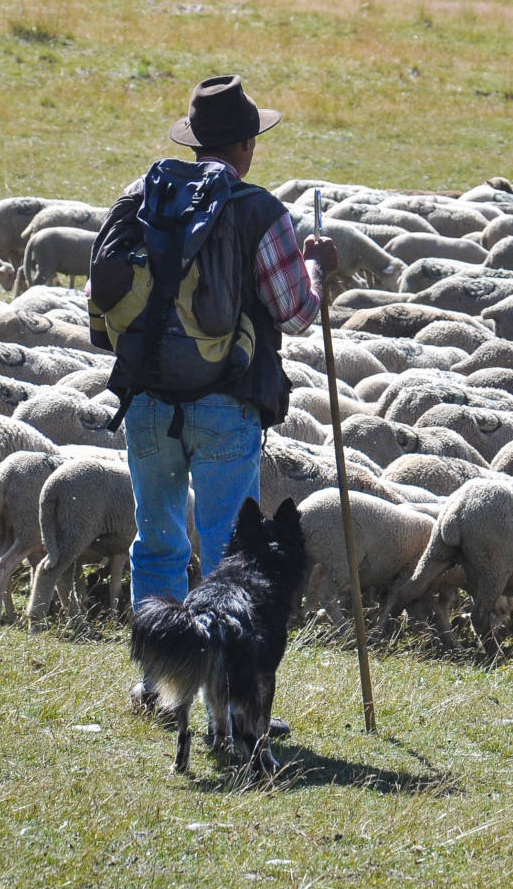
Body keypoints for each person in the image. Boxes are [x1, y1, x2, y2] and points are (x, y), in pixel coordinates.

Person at [95, 74, 336, 625]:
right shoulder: (258, 211)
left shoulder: (140, 197)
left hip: (147, 399)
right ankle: (223, 698)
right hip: (227, 402)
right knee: (231, 553)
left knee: (156, 544)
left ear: (194, 141)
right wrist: (318, 267)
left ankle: (159, 684)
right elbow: (296, 312)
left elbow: (99, 295)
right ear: (246, 146)